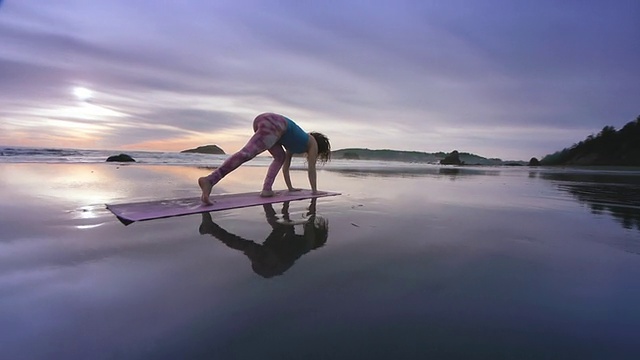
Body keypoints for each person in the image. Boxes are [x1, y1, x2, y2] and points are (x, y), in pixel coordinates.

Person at [198, 112, 331, 205]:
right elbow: (311, 169)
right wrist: (314, 191)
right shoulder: (311, 142)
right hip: (275, 123)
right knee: (247, 153)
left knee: (280, 156)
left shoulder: (296, 141)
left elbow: (285, 166)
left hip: (270, 123)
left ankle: (267, 189)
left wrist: (290, 188)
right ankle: (210, 180)